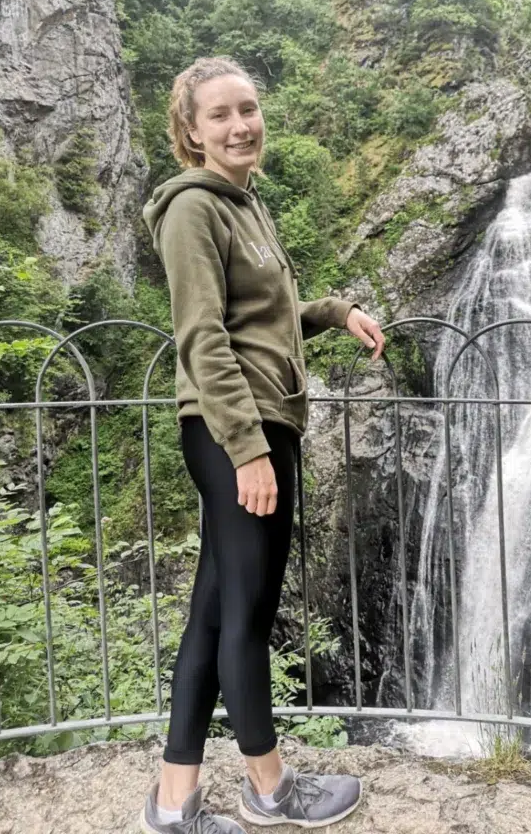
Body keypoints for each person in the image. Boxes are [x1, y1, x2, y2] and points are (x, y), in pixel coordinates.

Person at [140, 56, 385, 833]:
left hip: (257, 423)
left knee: (214, 615)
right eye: (220, 115)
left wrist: (336, 312)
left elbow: (265, 317)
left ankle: (174, 801)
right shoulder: (192, 211)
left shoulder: (245, 203)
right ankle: (270, 791)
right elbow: (203, 339)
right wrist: (246, 449)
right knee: (247, 612)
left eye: (247, 108)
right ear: (191, 132)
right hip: (232, 429)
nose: (240, 124)